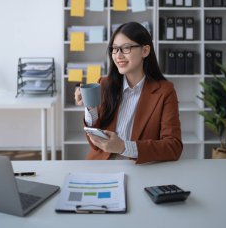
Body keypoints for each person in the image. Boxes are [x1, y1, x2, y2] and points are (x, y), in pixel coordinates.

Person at [74, 21, 182, 164]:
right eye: (114, 49)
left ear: (145, 51)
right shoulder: (105, 84)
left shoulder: (165, 91)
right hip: (103, 165)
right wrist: (90, 107)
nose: (118, 55)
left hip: (140, 167)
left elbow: (173, 147)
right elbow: (95, 144)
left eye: (126, 48)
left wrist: (123, 147)